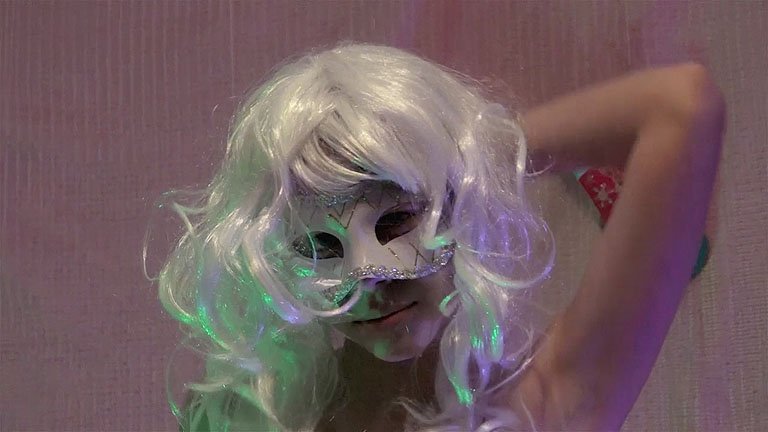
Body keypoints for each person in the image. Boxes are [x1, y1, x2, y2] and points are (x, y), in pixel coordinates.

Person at [154, 43, 725, 431]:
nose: (368, 279)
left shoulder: (539, 406)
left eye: (396, 220)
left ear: (458, 203)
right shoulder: (243, 416)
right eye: (320, 247)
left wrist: (472, 159)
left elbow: (680, 105)